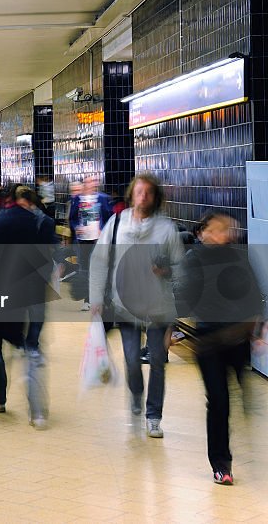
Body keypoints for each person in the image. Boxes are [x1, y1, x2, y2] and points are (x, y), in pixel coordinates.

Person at [89, 173, 184, 439]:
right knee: (132, 360)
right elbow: (99, 261)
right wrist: (96, 298)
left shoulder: (166, 229)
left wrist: (167, 272)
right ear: (132, 193)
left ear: (156, 197)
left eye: (148, 192)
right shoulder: (116, 224)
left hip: (158, 308)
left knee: (157, 362)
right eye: (139, 191)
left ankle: (154, 416)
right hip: (125, 305)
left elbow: (181, 266)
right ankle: (136, 395)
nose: (143, 196)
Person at [178, 211, 267, 484]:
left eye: (225, 230)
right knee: (218, 401)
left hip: (238, 338)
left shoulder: (239, 257)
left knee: (239, 392)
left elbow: (254, 295)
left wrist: (259, 329)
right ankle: (221, 464)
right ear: (202, 232)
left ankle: (244, 407)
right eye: (214, 230)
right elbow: (185, 299)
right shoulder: (193, 260)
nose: (220, 234)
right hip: (209, 342)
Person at [0, 185, 58, 429]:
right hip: (35, 293)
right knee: (32, 349)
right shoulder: (44, 223)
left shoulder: (0, 222)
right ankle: (37, 411)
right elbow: (50, 260)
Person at [69, 175, 114, 310]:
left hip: (98, 239)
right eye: (88, 182)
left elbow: (109, 217)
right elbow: (73, 217)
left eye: (93, 182)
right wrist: (76, 227)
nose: (91, 184)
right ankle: (87, 299)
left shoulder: (102, 199)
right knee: (85, 268)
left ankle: (101, 298)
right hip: (84, 239)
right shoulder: (78, 199)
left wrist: (104, 230)